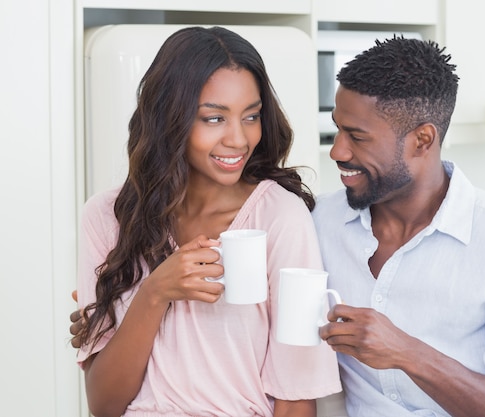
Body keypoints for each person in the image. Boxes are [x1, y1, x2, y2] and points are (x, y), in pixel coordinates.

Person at [73, 26, 340, 417]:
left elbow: (296, 396)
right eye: (214, 119)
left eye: (251, 116)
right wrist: (154, 292)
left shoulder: (280, 217)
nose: (238, 139)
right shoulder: (106, 216)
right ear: (170, 118)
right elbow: (103, 404)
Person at [313, 37, 485, 417]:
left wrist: (408, 353)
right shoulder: (322, 221)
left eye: (357, 137)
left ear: (422, 140)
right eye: (338, 130)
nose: (338, 151)